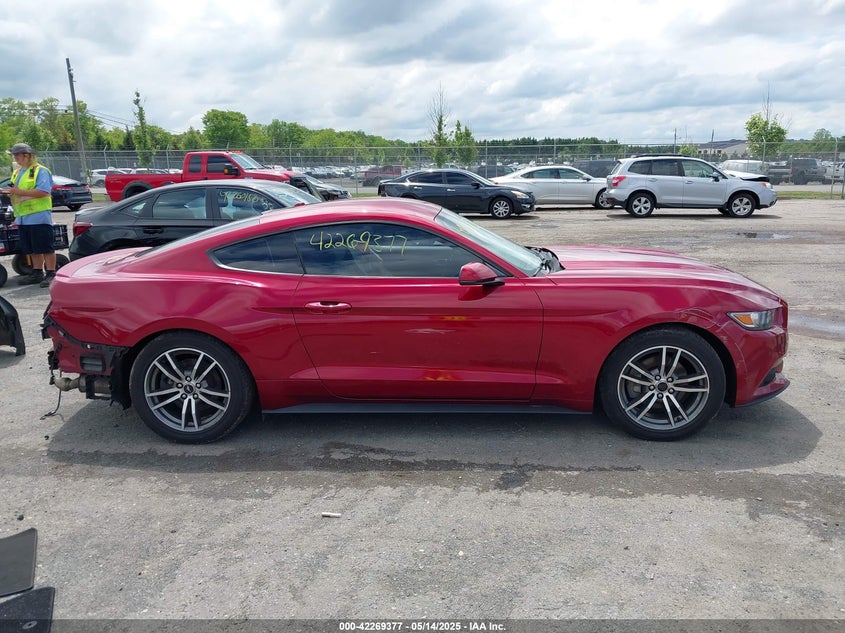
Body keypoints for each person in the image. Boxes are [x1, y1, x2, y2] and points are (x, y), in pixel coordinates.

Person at [1, 143, 55, 286]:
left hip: (38, 215)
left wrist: (18, 192)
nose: (15, 157)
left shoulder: (40, 171)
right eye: (14, 155)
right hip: (23, 217)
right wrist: (6, 192)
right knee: (31, 248)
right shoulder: (17, 172)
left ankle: (51, 273)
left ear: (27, 155)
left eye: (17, 155)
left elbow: (44, 191)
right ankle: (37, 273)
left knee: (45, 246)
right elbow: (15, 190)